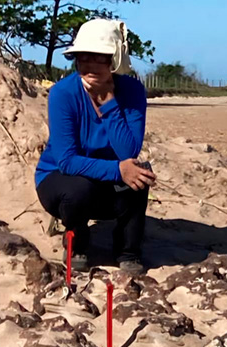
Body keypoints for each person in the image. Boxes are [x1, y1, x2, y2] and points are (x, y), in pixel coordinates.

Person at [35, 19, 155, 275]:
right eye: (83, 57)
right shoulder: (62, 93)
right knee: (80, 188)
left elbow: (128, 152)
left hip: (108, 179)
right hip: (60, 179)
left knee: (140, 173)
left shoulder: (132, 91)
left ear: (114, 60)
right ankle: (76, 245)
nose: (90, 65)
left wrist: (108, 102)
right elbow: (67, 160)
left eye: (99, 58)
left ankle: (128, 251)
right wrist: (118, 171)